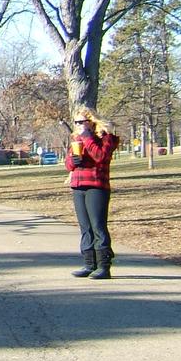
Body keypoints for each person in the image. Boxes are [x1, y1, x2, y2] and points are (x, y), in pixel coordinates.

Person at [65, 107, 120, 279]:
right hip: (78, 185)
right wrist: (72, 161)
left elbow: (100, 156)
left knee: (98, 226)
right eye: (76, 122)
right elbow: (68, 165)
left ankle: (104, 266)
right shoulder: (76, 140)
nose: (79, 125)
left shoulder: (106, 138)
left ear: (92, 121)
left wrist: (88, 137)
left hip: (97, 185)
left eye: (82, 122)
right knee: (85, 227)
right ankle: (89, 263)